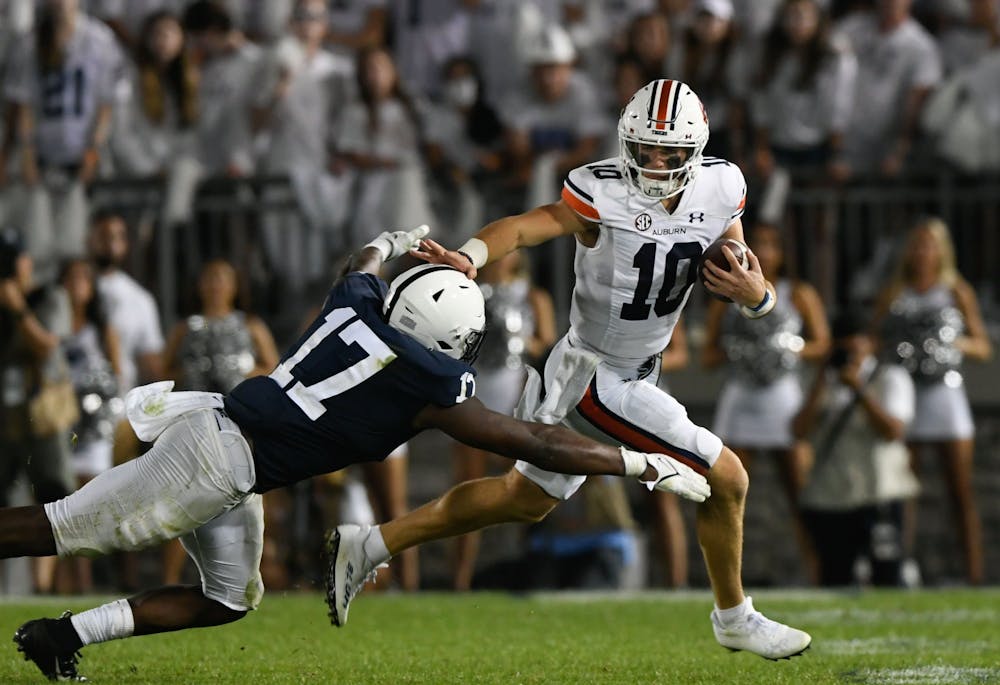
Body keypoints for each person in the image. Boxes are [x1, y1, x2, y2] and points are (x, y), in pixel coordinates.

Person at [3, 226, 706, 682]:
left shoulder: (357, 304)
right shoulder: (427, 384)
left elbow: (362, 262)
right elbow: (536, 439)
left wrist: (393, 241)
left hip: (229, 456)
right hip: (215, 460)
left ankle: (60, 634)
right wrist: (637, 461)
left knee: (227, 599)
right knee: (59, 528)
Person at [341, 78, 812, 660]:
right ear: (625, 143)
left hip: (630, 371)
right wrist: (471, 256)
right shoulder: (601, 191)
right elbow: (525, 225)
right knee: (729, 476)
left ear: (695, 152)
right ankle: (734, 616)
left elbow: (737, 261)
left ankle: (373, 543)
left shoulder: (721, 185)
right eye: (644, 150)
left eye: (670, 154)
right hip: (595, 374)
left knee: (521, 498)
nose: (656, 164)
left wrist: (756, 292)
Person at [703, 223, 829, 582]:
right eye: (758, 244)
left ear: (783, 253)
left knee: (801, 493)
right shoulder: (724, 296)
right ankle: (728, 582)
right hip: (741, 398)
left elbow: (822, 343)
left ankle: (821, 571)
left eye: (773, 245)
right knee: (727, 491)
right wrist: (738, 352)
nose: (765, 252)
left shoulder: (798, 293)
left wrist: (787, 347)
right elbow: (708, 356)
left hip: (783, 397)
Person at [873, 217, 992, 585]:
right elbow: (875, 339)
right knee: (903, 490)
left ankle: (974, 574)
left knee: (960, 489)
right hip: (906, 396)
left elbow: (983, 346)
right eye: (918, 244)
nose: (924, 252)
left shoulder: (956, 291)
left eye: (930, 245)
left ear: (942, 250)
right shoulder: (894, 291)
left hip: (945, 395)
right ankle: (900, 571)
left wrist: (950, 345)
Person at [794, 309, 919, 587]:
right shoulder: (819, 381)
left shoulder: (889, 377)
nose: (849, 355)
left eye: (855, 347)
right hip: (831, 494)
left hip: (880, 492)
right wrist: (821, 382)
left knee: (887, 575)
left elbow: (893, 431)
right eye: (842, 348)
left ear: (870, 343)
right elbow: (798, 431)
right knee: (834, 575)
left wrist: (859, 390)